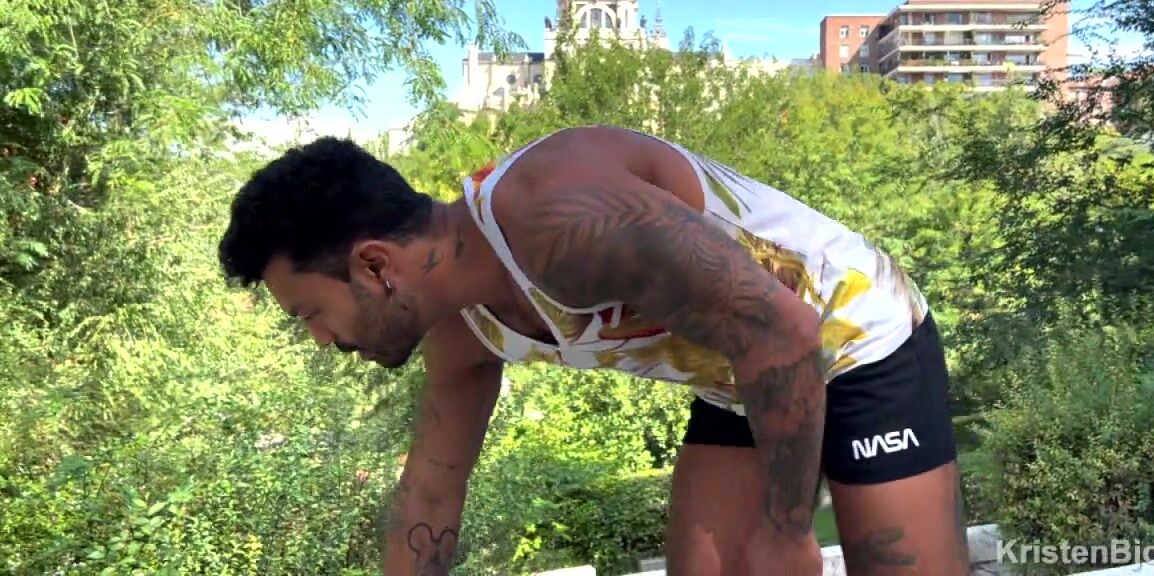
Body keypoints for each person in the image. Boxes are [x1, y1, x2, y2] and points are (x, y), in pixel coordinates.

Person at [218, 125, 970, 576]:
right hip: (740, 378)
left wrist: (787, 533)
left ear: (375, 266)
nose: (321, 340)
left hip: (854, 339)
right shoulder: (458, 330)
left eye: (311, 313)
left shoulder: (558, 217)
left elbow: (786, 333)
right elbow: (430, 493)